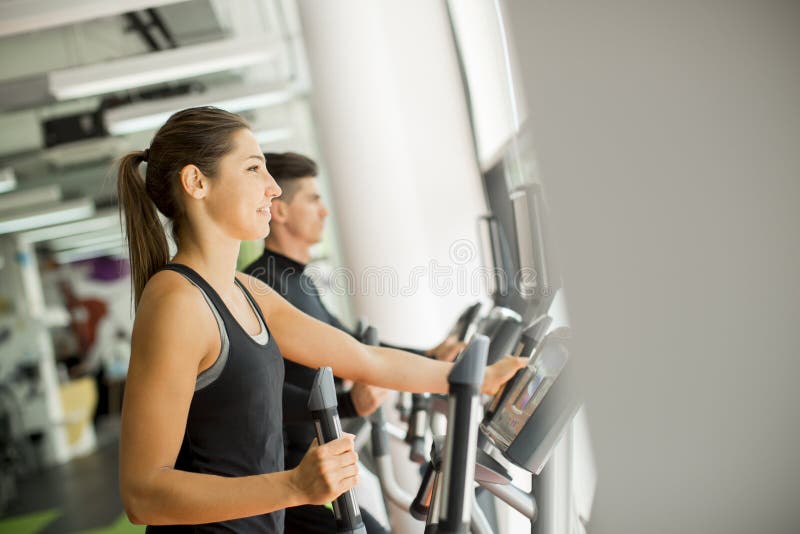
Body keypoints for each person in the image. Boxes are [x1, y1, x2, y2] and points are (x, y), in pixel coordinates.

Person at [116, 106, 526, 533]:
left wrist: (478, 379)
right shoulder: (177, 303)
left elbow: (366, 359)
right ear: (196, 182)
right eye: (254, 169)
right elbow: (144, 494)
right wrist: (294, 486)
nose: (272, 189)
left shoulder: (245, 290)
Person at [243, 152, 464, 533]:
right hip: (285, 476)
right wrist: (349, 401)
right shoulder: (265, 285)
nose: (324, 211)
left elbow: (352, 345)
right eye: (313, 199)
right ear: (279, 211)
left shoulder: (298, 282)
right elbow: (256, 392)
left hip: (312, 461)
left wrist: (430, 356)